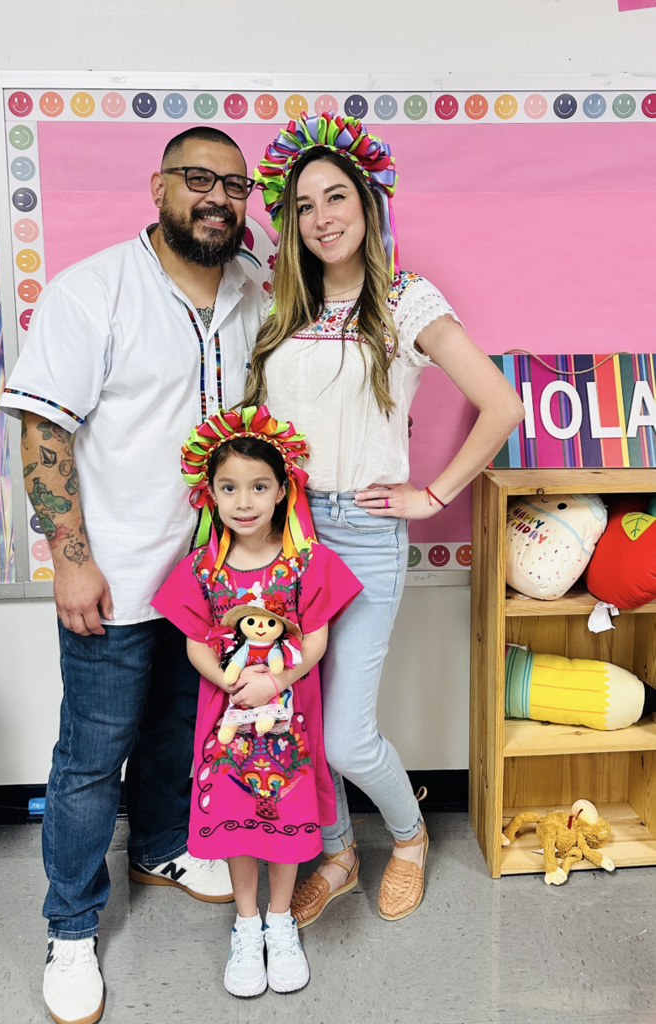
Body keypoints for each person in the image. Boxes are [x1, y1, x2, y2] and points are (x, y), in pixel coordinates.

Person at [0, 127, 266, 1024]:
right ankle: (71, 932)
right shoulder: (93, 292)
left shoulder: (252, 290)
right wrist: (69, 563)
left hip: (210, 585)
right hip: (112, 579)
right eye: (199, 180)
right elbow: (44, 432)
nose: (218, 198)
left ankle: (157, 847)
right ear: (157, 189)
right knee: (88, 760)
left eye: (236, 186)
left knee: (175, 736)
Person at [246, 113, 525, 926]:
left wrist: (432, 494)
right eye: (303, 205)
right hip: (289, 536)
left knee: (343, 735)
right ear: (290, 220)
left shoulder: (405, 297)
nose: (321, 216)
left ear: (368, 206)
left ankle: (407, 837)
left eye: (337, 197)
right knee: (298, 716)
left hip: (364, 534)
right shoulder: (280, 304)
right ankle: (336, 853)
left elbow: (500, 404)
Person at [153, 406, 362, 997]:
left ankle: (279, 920)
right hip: (225, 735)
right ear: (210, 493)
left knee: (287, 821)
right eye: (229, 488)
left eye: (259, 486)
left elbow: (316, 638)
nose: (243, 501)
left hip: (288, 732)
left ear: (281, 490)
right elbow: (196, 644)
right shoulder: (202, 568)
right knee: (236, 823)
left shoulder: (307, 563)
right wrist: (226, 681)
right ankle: (246, 923)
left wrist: (277, 679)